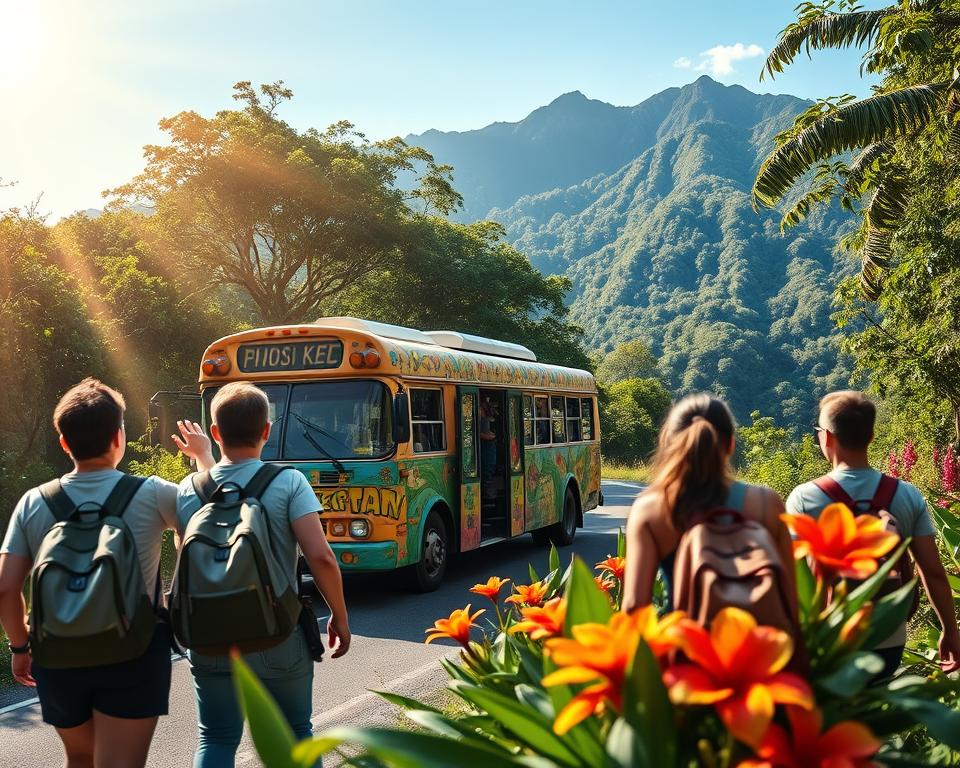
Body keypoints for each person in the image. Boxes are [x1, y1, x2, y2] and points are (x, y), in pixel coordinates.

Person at [0, 378, 213, 768]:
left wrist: (19, 647)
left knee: (80, 759)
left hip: (58, 652)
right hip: (135, 649)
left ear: (64, 443)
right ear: (119, 437)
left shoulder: (35, 502)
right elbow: (207, 528)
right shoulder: (153, 493)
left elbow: (5, 588)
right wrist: (204, 459)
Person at [177, 381, 350, 768]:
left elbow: (187, 556)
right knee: (294, 734)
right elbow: (320, 557)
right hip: (277, 633)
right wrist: (339, 616)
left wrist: (204, 459)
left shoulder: (188, 489)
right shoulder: (289, 482)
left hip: (209, 637)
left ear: (216, 433)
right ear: (267, 431)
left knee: (216, 737)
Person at [786, 390, 960, 678]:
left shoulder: (805, 498)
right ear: (870, 436)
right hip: (889, 637)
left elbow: (791, 574)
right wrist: (950, 631)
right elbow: (933, 572)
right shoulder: (906, 494)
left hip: (830, 638)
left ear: (826, 436)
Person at [622, 393, 797, 619]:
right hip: (759, 650)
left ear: (669, 443)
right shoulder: (767, 503)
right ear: (731, 445)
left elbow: (635, 607)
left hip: (687, 648)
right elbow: (789, 599)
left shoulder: (649, 509)